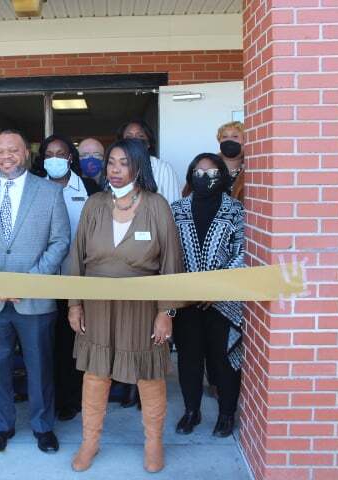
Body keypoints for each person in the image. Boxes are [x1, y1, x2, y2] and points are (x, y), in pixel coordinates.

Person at [67, 138, 185, 473]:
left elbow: (171, 263)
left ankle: (153, 443)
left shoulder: (156, 205)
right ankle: (90, 442)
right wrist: (74, 304)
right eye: (111, 163)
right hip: (98, 306)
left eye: (123, 163)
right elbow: (76, 256)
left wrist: (166, 311)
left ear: (138, 166)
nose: (115, 170)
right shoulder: (94, 205)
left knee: (149, 377)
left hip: (142, 308)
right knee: (96, 374)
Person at [0, 129, 70, 454]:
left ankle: (42, 427)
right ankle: (1, 426)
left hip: (34, 298)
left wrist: (29, 281)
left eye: (13, 150)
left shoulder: (49, 192)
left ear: (26, 154)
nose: (6, 156)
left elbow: (60, 241)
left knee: (40, 368)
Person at [171, 152, 245, 438]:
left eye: (212, 173)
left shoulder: (236, 211)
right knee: (189, 358)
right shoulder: (176, 209)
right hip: (186, 301)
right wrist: (189, 289)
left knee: (223, 359)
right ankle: (192, 411)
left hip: (224, 302)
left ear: (223, 177)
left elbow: (244, 252)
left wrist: (215, 287)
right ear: (191, 175)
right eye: (199, 173)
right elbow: (168, 253)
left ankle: (227, 413)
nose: (205, 178)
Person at [36, 134, 102, 422]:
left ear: (70, 158)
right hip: (43, 278)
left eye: (60, 153)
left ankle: (71, 399)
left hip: (79, 279)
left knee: (73, 343)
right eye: (49, 153)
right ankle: (47, 397)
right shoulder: (35, 187)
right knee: (44, 343)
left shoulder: (88, 187)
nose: (54, 158)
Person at [117, 120, 181, 205]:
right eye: (129, 137)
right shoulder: (115, 169)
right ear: (121, 144)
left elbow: (174, 207)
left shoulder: (163, 169)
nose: (135, 141)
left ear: (148, 144)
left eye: (140, 136)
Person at [182, 121, 245, 203]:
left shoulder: (254, 169)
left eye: (235, 136)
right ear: (219, 141)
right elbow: (187, 195)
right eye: (224, 136)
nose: (229, 140)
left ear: (245, 140)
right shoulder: (204, 164)